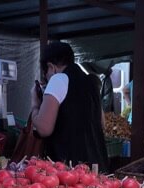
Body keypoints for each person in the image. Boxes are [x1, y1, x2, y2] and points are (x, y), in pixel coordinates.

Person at [30, 42, 109, 172]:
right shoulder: (91, 82)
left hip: (71, 169)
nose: (47, 79)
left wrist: (35, 105)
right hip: (97, 164)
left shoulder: (58, 79)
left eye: (46, 74)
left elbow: (44, 129)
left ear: (51, 67)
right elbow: (102, 123)